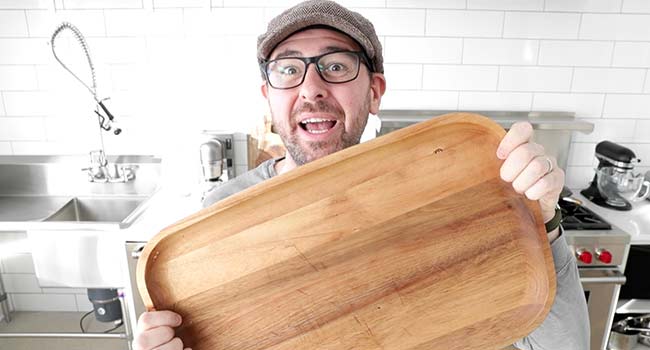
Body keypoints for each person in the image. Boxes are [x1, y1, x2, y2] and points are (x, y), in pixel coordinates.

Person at [133, 1, 589, 349]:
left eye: (335, 66)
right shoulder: (220, 221)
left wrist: (543, 224)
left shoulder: (441, 199)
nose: (311, 88)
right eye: (288, 70)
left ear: (374, 91)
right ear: (268, 99)